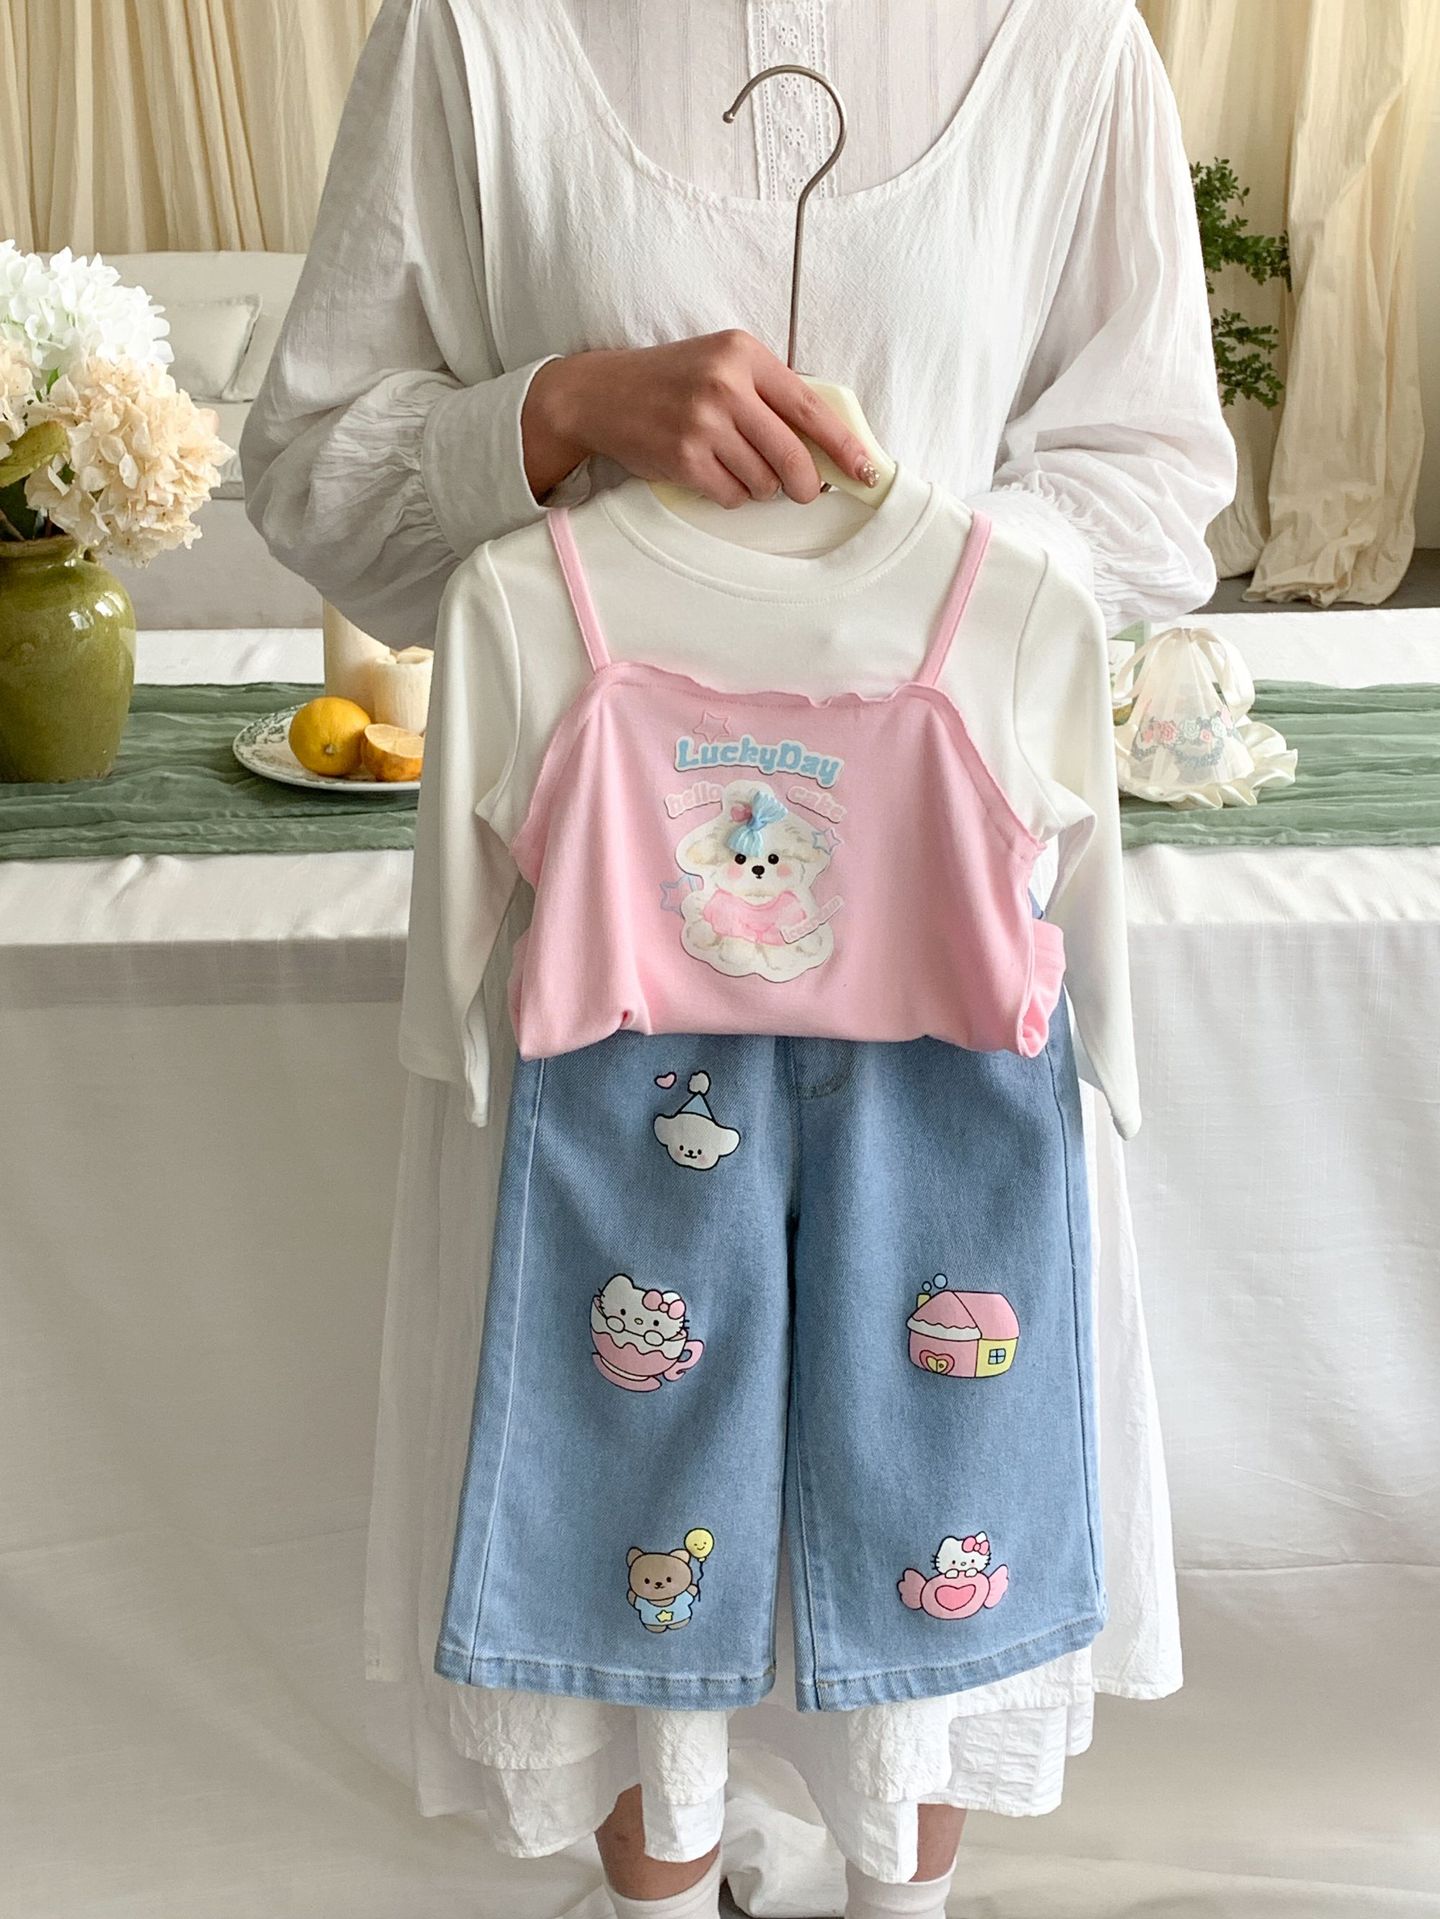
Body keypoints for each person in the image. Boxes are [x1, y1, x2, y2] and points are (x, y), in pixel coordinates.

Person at [242, 4, 1236, 1916]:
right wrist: (557, 409)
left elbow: (1152, 478)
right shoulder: (474, 34)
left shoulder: (1063, 44)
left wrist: (896, 597)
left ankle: (901, 1892)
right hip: (610, 980)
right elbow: (312, 473)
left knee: (940, 1464)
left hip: (940, 953)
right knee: (619, 1460)